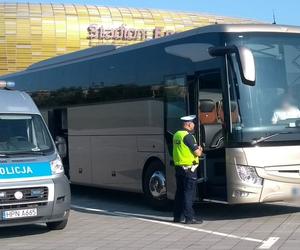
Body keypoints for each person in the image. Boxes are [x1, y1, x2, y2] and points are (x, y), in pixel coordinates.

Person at [173, 115, 203, 224]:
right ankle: (189, 217)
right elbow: (197, 153)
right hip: (189, 169)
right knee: (188, 193)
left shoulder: (176, 134)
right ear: (189, 124)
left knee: (179, 192)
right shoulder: (188, 136)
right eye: (193, 123)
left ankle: (177, 217)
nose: (194, 125)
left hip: (179, 168)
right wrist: (200, 149)